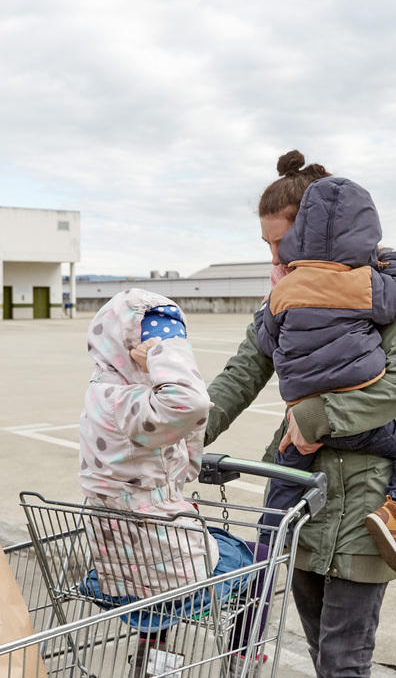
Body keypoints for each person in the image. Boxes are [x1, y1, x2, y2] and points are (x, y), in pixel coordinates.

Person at [204, 150, 396, 677]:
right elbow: (241, 373)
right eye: (267, 245)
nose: (275, 256)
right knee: (322, 655)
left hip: (367, 503)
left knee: (345, 662)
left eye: (282, 242)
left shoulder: (371, 297)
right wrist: (181, 432)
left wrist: (316, 417)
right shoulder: (281, 301)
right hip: (300, 497)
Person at [254, 174, 396, 575]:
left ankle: (268, 536)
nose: (274, 256)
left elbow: (265, 343)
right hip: (359, 415)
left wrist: (272, 306)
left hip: (302, 414)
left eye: (279, 243)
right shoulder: (367, 284)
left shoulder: (284, 290)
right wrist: (394, 259)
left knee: (288, 464)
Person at [78, 288, 260, 675]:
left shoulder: (102, 393)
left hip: (118, 567)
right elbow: (190, 404)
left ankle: (151, 650)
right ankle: (242, 656)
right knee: (257, 558)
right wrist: (167, 353)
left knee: (167, 571)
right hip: (163, 562)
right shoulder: (131, 403)